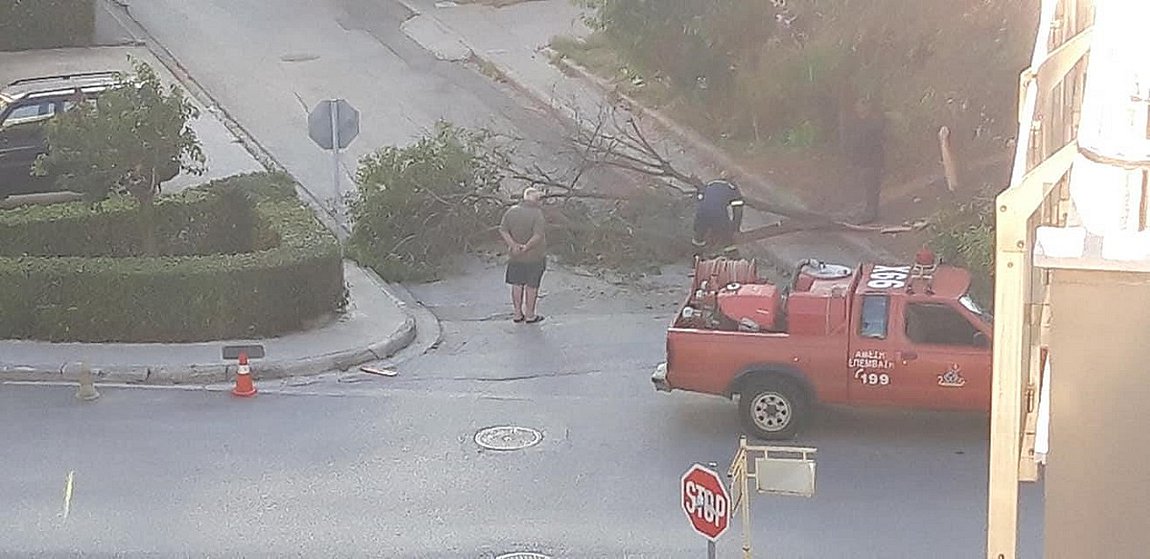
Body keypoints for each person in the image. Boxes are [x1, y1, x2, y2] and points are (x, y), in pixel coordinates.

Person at [499, 186, 548, 324]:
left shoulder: (511, 212)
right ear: (536, 200)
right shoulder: (537, 214)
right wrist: (526, 247)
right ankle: (530, 314)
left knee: (517, 284)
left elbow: (503, 230)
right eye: (540, 199)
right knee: (532, 286)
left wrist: (513, 245)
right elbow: (538, 235)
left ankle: (517, 313)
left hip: (515, 256)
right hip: (534, 256)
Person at [844, 97, 886, 224]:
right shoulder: (857, 124)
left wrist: (878, 162)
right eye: (858, 105)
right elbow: (854, 144)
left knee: (872, 187)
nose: (859, 108)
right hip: (862, 161)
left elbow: (877, 144)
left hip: (872, 162)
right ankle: (869, 210)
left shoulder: (873, 124)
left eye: (862, 105)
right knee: (867, 187)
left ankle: (872, 212)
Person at [692, 177, 745, 257]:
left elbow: (700, 200)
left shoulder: (709, 184)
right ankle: (734, 260)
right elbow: (738, 210)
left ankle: (696, 258)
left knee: (699, 237)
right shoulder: (732, 188)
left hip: (701, 213)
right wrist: (735, 229)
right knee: (728, 239)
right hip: (718, 213)